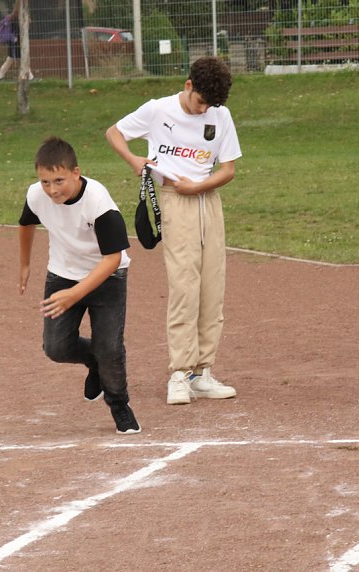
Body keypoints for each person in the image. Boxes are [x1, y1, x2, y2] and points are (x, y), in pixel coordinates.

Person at [105, 56, 242, 406]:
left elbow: (228, 169)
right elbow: (114, 133)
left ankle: (202, 372)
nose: (203, 111)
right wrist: (134, 160)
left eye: (210, 106)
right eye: (200, 102)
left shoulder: (220, 115)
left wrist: (200, 187)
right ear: (188, 86)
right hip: (172, 201)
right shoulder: (157, 110)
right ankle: (179, 373)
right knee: (185, 285)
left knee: (213, 287)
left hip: (207, 202)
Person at [18, 136, 139, 434]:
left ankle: (119, 404)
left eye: (59, 180)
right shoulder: (37, 195)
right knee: (56, 347)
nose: (52, 190)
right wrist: (24, 264)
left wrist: (75, 294)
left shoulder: (98, 202)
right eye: (45, 182)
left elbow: (113, 259)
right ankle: (92, 361)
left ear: (76, 172)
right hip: (62, 274)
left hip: (107, 277)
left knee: (109, 348)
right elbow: (26, 223)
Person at [0, 4, 35, 82]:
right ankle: (30, 77)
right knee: (14, 59)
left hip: (14, 43)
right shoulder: (16, 18)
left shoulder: (13, 17)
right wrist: (27, 22)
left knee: (11, 60)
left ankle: (0, 77)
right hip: (16, 43)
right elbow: (20, 31)